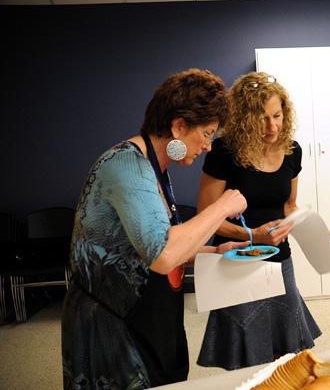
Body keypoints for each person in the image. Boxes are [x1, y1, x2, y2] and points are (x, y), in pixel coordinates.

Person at [61, 68, 249, 389]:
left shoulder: (155, 168)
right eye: (206, 134)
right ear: (178, 126)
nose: (208, 147)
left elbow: (155, 243)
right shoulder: (125, 165)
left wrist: (213, 250)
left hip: (148, 315)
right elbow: (162, 254)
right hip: (111, 321)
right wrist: (222, 208)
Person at [196, 71, 330, 370]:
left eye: (277, 115)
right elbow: (206, 218)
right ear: (242, 118)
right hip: (235, 261)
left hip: (279, 259)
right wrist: (252, 236)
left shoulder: (292, 150)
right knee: (247, 358)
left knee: (289, 355)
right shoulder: (224, 151)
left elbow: (289, 207)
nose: (272, 125)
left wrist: (318, 233)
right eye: (261, 118)